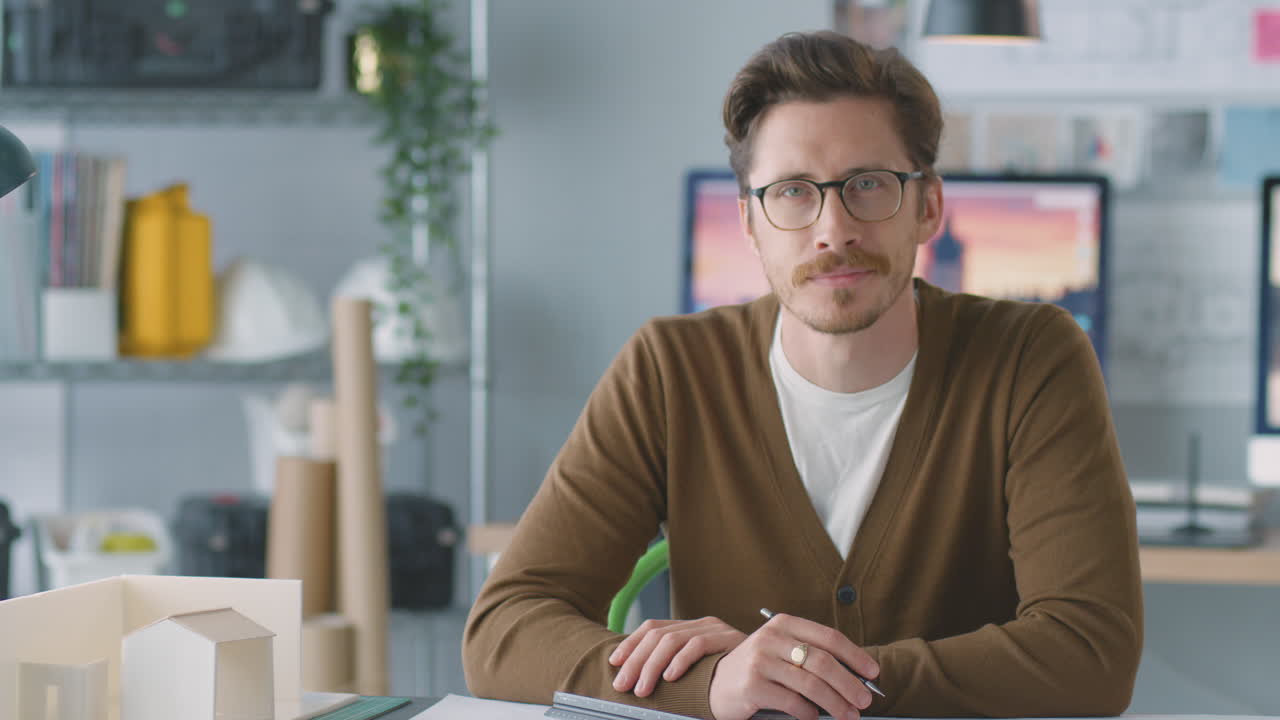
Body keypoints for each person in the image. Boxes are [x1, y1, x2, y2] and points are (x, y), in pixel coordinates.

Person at [463, 30, 1142, 720]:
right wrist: (713, 682)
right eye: (792, 192)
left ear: (929, 206)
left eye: (868, 185)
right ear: (749, 222)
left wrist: (797, 679)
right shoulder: (670, 370)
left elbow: (1092, 652)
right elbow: (502, 631)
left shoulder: (1031, 357)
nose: (833, 229)